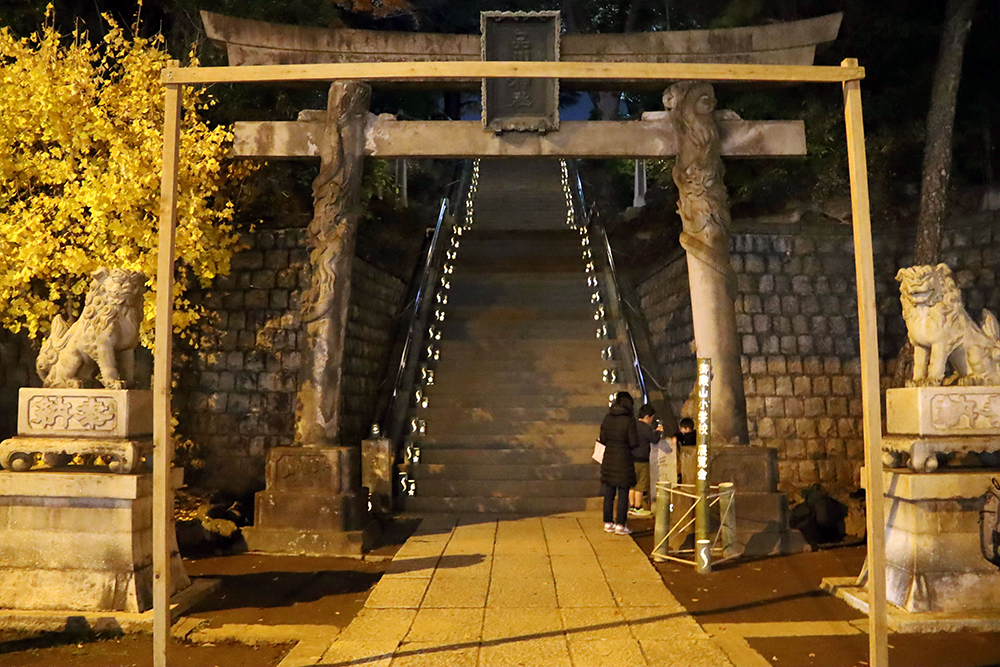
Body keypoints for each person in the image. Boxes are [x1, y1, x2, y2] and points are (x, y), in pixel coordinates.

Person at [599, 391, 639, 535]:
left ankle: (608, 522)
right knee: (623, 493)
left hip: (609, 458)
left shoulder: (607, 418)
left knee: (609, 492)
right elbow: (634, 442)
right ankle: (620, 524)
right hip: (624, 460)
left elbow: (603, 438)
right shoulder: (629, 420)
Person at [630, 404, 663, 517]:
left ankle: (631, 506)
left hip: (631, 459)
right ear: (647, 416)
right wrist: (658, 431)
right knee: (641, 484)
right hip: (642, 460)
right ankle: (638, 507)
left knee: (632, 484)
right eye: (651, 418)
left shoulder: (633, 425)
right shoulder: (645, 428)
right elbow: (654, 439)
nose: (651, 420)